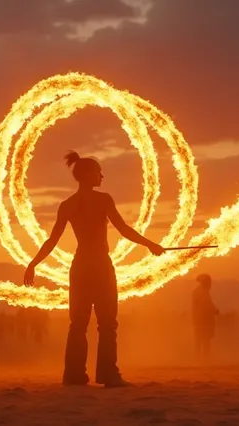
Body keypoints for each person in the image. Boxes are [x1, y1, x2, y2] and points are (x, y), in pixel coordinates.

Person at [24, 151, 165, 387]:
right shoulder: (103, 200)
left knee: (78, 324)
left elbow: (52, 240)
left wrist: (33, 264)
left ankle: (73, 375)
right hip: (99, 265)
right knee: (107, 323)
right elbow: (123, 229)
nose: (102, 175)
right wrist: (150, 244)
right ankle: (109, 374)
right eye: (99, 171)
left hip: (79, 267)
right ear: (88, 175)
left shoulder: (67, 205)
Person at [192, 274, 219, 360]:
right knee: (205, 340)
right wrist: (215, 311)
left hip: (197, 320)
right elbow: (207, 304)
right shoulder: (203, 292)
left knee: (199, 341)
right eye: (209, 282)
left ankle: (198, 359)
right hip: (203, 321)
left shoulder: (196, 291)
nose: (210, 284)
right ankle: (205, 360)